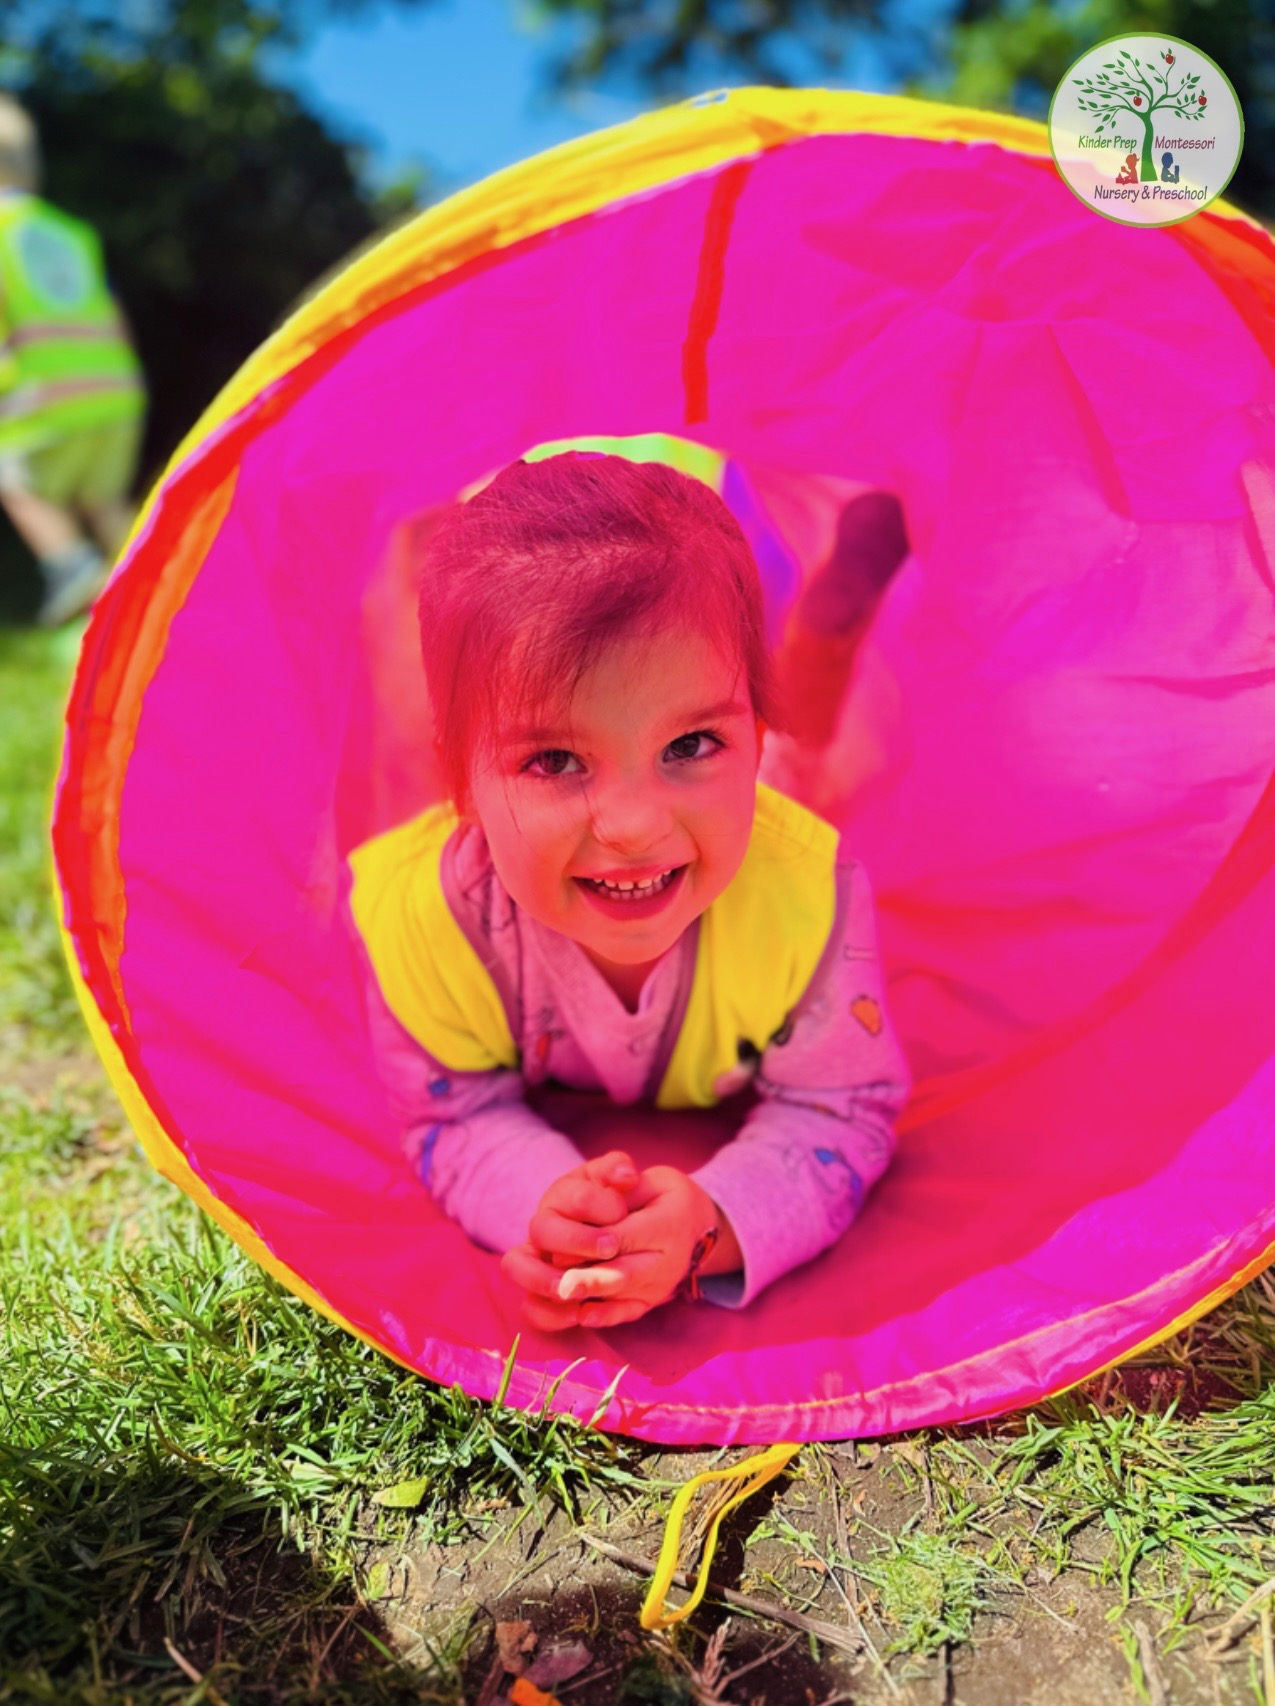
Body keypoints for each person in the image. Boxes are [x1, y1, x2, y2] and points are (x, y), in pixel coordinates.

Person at [349, 453, 911, 1330]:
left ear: (743, 740)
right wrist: (553, 1210)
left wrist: (713, 1224)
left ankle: (826, 635)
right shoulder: (430, 919)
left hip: (774, 794)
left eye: (690, 745)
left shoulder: (806, 892)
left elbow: (843, 1107)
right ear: (460, 780)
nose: (634, 826)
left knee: (816, 754)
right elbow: (448, 1114)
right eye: (555, 760)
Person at [0, 97, 146, 626]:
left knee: (16, 484)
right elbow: (115, 315)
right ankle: (156, 583)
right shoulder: (72, 234)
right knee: (104, 500)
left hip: (42, 397)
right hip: (114, 389)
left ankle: (72, 566)